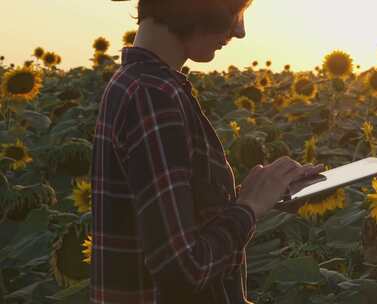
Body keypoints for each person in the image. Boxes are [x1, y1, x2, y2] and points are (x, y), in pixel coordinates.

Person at [90, 0, 325, 303]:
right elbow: (184, 269)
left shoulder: (135, 84)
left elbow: (174, 226)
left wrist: (258, 194)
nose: (239, 30)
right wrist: (248, 209)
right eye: (235, 9)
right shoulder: (153, 96)